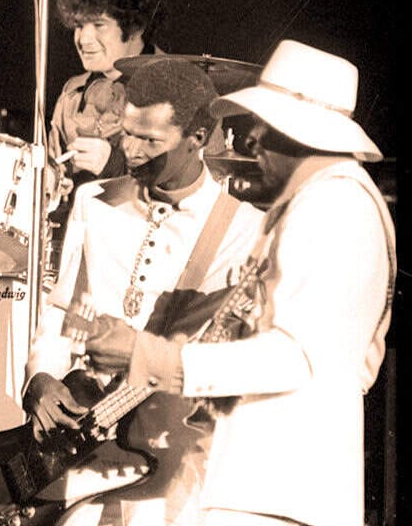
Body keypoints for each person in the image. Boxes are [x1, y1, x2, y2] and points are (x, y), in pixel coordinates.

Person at [86, 40, 395, 526]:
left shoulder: (335, 209)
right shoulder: (316, 205)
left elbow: (296, 357)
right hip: (264, 488)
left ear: (301, 134)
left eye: (263, 127)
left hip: (282, 491)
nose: (250, 141)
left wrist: (150, 356)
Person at [23, 58, 265, 525]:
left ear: (198, 137)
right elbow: (63, 311)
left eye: (151, 140)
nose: (131, 152)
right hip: (86, 452)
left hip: (174, 467)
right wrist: (42, 377)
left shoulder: (245, 230)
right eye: (127, 134)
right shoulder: (94, 202)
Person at [49, 0, 168, 186]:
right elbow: (55, 166)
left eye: (99, 24)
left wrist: (113, 164)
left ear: (135, 28)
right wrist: (52, 180)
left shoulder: (180, 89)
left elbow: (202, 184)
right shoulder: (72, 94)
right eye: (78, 26)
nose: (83, 39)